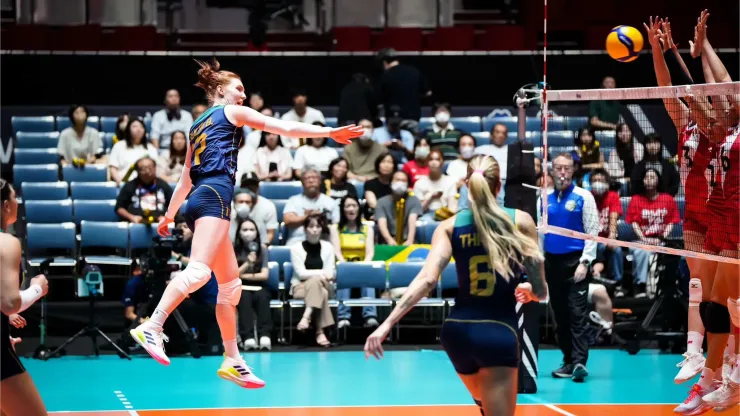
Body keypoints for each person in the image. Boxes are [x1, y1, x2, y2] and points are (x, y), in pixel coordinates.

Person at [129, 58, 362, 388]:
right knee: (198, 271)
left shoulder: (196, 126)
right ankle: (152, 326)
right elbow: (283, 127)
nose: (243, 94)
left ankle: (233, 359)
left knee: (231, 286)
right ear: (221, 90)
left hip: (199, 196)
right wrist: (328, 132)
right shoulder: (231, 112)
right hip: (216, 194)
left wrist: (169, 216)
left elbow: (184, 179)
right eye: (239, 88)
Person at [364, 155, 547, 416]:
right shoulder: (521, 222)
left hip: (457, 334)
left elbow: (427, 280)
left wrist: (387, 323)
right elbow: (541, 291)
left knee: (486, 407)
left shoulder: (449, 226)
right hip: (497, 333)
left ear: (467, 184)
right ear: (499, 186)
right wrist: (530, 291)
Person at [544, 152, 599, 383]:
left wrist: (585, 262)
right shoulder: (543, 198)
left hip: (575, 263)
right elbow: (540, 233)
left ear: (573, 170)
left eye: (566, 168)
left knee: (577, 314)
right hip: (552, 263)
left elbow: (592, 231)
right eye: (558, 168)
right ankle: (568, 360)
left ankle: (579, 363)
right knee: (560, 315)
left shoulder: (584, 197)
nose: (563, 172)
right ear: (552, 171)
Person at [0, 179, 50, 416]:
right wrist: (37, 288)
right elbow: (9, 303)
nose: (16, 202)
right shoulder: (7, 243)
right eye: (14, 197)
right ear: (5, 206)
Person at [289, 214, 337, 347]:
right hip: (300, 287)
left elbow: (331, 272)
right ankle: (320, 332)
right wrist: (321, 274)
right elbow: (301, 274)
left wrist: (320, 275)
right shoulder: (295, 248)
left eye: (318, 226)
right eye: (311, 226)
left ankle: (306, 317)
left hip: (325, 285)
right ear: (305, 229)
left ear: (322, 229)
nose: (315, 229)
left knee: (319, 285)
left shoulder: (328, 247)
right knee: (321, 292)